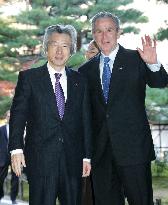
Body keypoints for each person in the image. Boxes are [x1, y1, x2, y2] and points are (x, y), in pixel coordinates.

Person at [79, 11, 168, 205]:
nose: (104, 36)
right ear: (93, 35)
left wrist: (152, 63)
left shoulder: (137, 58)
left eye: (109, 30)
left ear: (119, 32)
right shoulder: (85, 71)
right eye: (99, 31)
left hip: (134, 150)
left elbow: (160, 82)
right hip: (101, 153)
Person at [8, 24, 92, 205]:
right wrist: (16, 149)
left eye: (65, 46)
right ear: (46, 47)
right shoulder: (29, 78)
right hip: (41, 161)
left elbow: (85, 120)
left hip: (73, 161)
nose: (59, 51)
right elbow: (18, 116)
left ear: (71, 50)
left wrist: (87, 156)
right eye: (54, 44)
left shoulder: (80, 81)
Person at [82, 40, 99, 205]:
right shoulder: (79, 76)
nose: (88, 54)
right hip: (83, 145)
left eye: (93, 51)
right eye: (88, 51)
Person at [0, 110, 19, 204]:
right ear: (5, 118)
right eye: (8, 116)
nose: (9, 118)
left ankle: (13, 198)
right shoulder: (1, 129)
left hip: (15, 157)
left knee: (15, 179)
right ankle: (0, 194)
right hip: (3, 157)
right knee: (1, 178)